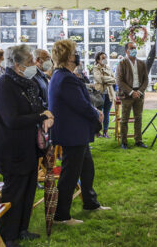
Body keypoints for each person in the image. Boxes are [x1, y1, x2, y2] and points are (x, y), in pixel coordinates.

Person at [0, 45, 54, 246]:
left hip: (29, 146)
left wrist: (45, 114)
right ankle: (9, 235)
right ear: (17, 65)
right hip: (12, 149)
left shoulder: (27, 83)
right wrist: (40, 115)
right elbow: (12, 120)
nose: (33, 65)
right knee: (14, 193)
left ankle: (22, 228)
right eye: (29, 61)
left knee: (28, 191)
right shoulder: (4, 85)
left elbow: (38, 106)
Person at [49, 40, 110, 225]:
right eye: (75, 52)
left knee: (87, 169)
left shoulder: (62, 75)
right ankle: (61, 215)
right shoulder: (65, 77)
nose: (78, 55)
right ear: (68, 57)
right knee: (70, 175)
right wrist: (96, 113)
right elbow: (80, 104)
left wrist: (93, 111)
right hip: (72, 133)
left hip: (76, 133)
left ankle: (90, 203)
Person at [116, 42, 148, 149]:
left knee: (138, 118)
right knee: (124, 120)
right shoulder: (122, 63)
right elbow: (119, 81)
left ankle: (138, 140)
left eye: (135, 48)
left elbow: (146, 80)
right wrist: (131, 92)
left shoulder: (141, 63)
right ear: (126, 51)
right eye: (132, 48)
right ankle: (124, 142)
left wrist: (139, 91)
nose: (134, 49)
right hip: (127, 95)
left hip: (139, 94)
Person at [93, 51, 116, 138]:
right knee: (99, 113)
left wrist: (105, 79)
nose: (104, 59)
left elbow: (114, 79)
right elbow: (99, 79)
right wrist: (108, 79)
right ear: (98, 60)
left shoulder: (108, 68)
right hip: (100, 93)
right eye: (102, 58)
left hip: (109, 93)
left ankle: (105, 132)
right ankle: (97, 132)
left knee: (107, 113)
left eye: (105, 58)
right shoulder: (95, 68)